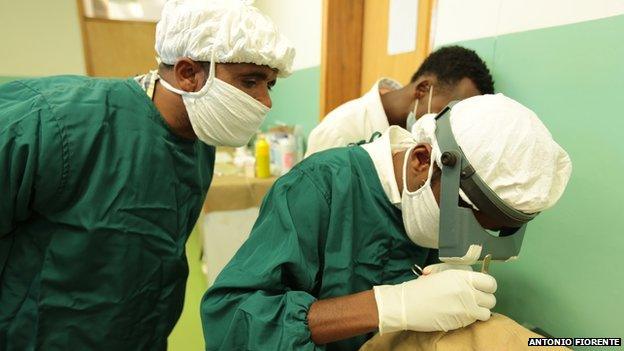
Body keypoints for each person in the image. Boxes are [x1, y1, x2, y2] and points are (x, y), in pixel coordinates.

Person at [0, 0, 293, 349]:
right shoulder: (54, 121)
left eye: (269, 85)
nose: (265, 101)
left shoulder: (198, 140)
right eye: (250, 81)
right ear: (188, 73)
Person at [200, 94, 572, 350]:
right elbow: (230, 322)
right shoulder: (320, 188)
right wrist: (388, 305)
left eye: (491, 229)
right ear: (422, 161)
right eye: (465, 220)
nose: (470, 241)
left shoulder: (442, 200)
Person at [305, 46, 494, 157]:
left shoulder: (420, 139)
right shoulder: (340, 131)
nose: (449, 126)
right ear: (423, 89)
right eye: (448, 112)